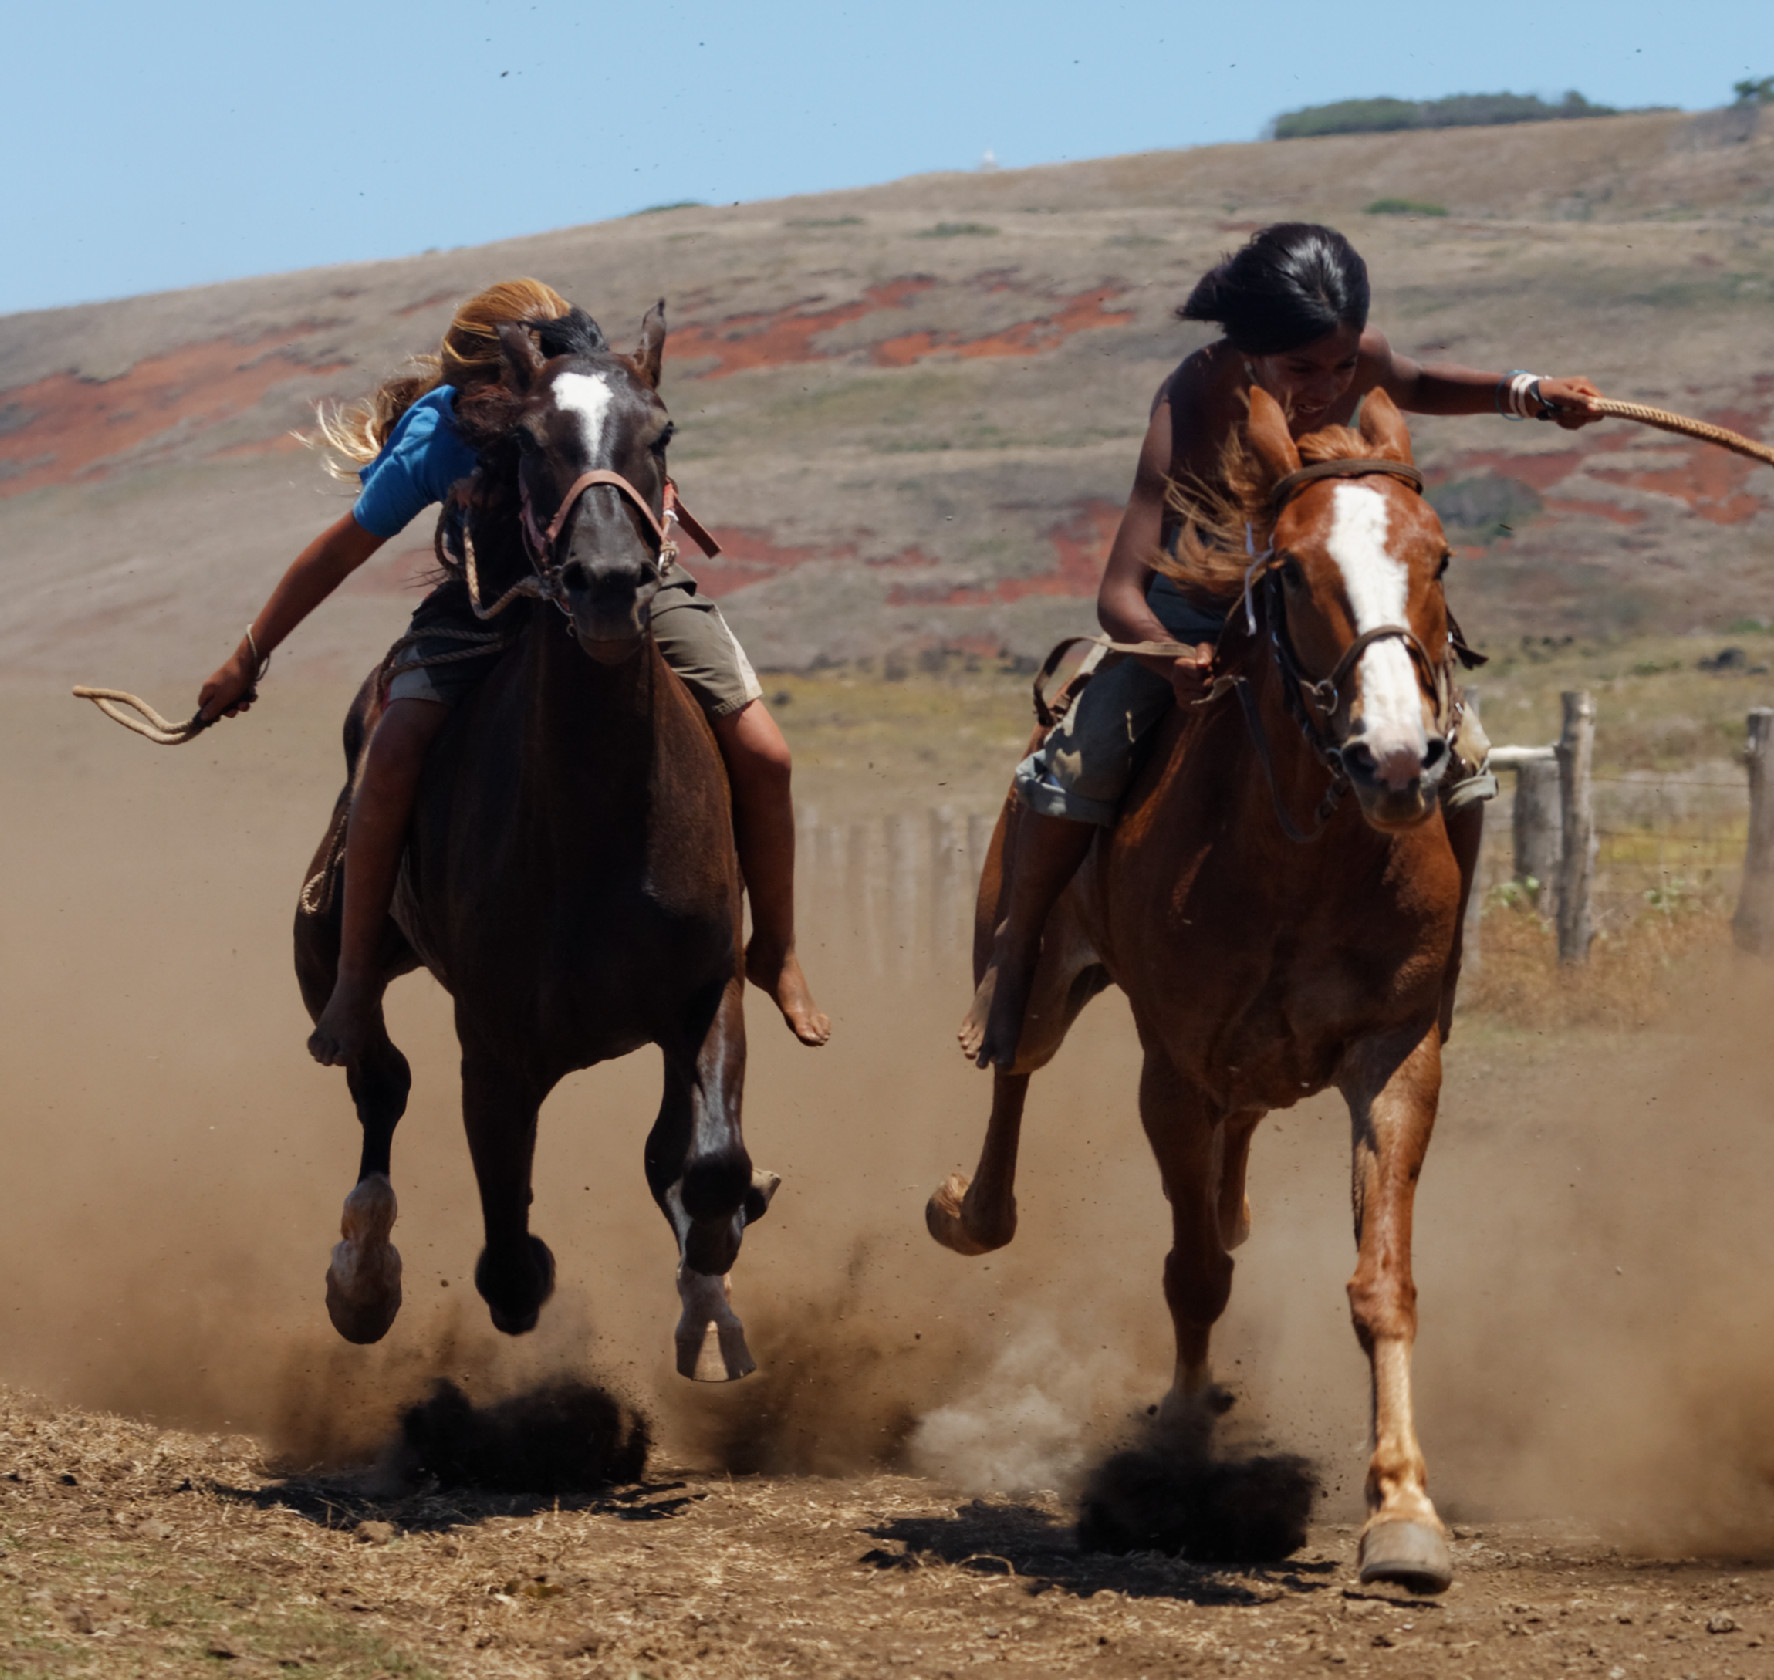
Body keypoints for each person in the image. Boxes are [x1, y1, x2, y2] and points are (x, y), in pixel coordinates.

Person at [968, 221, 1603, 1071]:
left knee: (1467, 760)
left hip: (1327, 629)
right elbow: (1118, 594)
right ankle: (1016, 962)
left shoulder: (1355, 358)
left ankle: (1438, 967)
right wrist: (1168, 655)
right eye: (1303, 369)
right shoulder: (1194, 394)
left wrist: (1526, 392)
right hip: (1188, 630)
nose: (1328, 385)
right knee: (1075, 764)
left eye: (1343, 367)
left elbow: (1415, 380)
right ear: (1253, 350)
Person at [192, 279, 830, 1062]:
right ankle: (357, 979)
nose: (546, 382)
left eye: (557, 362)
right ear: (479, 384)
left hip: (623, 585)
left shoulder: (600, 394)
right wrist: (246, 657)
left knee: (766, 752)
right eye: (518, 374)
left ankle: (777, 950)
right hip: (486, 600)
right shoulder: (436, 437)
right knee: (389, 754)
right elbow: (339, 551)